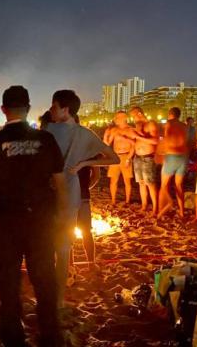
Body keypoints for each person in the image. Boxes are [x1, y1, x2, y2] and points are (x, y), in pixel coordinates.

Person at [0, 85, 67, 346]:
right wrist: (63, 217)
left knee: (8, 283)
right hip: (40, 219)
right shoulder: (46, 140)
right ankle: (50, 335)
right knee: (44, 280)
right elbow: (61, 183)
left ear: (4, 110)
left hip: (5, 221)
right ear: (28, 108)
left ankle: (14, 336)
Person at [46, 90, 118, 307]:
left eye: (54, 106)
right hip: (69, 191)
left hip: (54, 192)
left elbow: (115, 159)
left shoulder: (48, 131)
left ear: (65, 110)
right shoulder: (81, 133)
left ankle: (57, 294)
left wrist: (86, 164)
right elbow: (113, 158)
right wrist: (84, 164)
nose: (51, 110)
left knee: (55, 243)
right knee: (61, 244)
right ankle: (58, 296)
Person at [124, 107, 159, 215]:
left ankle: (155, 208)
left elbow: (155, 141)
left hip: (147, 157)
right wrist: (130, 140)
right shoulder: (137, 126)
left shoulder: (151, 124)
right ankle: (144, 206)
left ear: (139, 113)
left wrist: (138, 136)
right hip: (137, 158)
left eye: (133, 116)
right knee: (141, 183)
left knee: (150, 184)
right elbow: (136, 142)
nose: (133, 119)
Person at [158, 107, 189, 218]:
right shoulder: (185, 126)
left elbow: (167, 138)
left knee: (164, 185)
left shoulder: (168, 123)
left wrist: (160, 153)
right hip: (183, 156)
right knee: (179, 186)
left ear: (170, 114)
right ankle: (181, 211)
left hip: (171, 155)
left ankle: (167, 204)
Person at [103, 111, 135, 205]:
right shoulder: (114, 130)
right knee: (113, 180)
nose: (115, 119)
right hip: (115, 157)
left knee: (127, 181)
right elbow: (107, 143)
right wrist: (105, 135)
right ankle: (113, 200)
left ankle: (127, 201)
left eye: (117, 117)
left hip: (126, 156)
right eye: (115, 117)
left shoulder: (130, 130)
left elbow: (133, 146)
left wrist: (128, 158)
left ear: (123, 118)